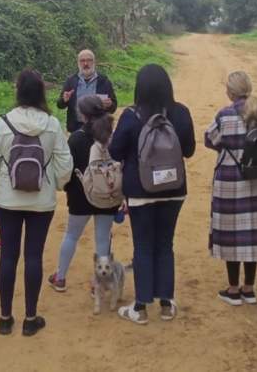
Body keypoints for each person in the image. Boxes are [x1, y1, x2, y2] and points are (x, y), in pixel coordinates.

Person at [0, 69, 73, 337]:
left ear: (18, 91)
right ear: (42, 92)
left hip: (7, 201)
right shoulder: (52, 124)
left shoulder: (1, 123)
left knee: (8, 256)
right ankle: (30, 319)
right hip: (41, 202)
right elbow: (65, 165)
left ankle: (5, 318)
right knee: (34, 256)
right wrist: (54, 185)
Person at [109, 64, 195, 324]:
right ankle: (167, 305)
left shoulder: (131, 115)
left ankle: (140, 308)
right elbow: (189, 150)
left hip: (140, 191)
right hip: (174, 190)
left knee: (143, 247)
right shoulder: (180, 113)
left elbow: (114, 151)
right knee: (165, 245)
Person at [205, 71, 257, 306]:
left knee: (231, 233)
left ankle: (233, 289)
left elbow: (209, 138)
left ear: (231, 92)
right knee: (252, 232)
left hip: (229, 180)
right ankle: (249, 289)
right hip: (256, 180)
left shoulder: (224, 114)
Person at [48, 95, 119, 293]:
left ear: (83, 114)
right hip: (107, 194)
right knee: (103, 238)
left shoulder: (77, 138)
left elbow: (67, 168)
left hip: (81, 195)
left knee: (71, 235)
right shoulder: (110, 136)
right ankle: (100, 283)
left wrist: (67, 189)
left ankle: (60, 277)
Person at [56, 49, 118, 133]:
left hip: (98, 129)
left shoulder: (104, 81)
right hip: (76, 128)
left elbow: (113, 108)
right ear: (78, 63)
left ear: (94, 62)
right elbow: (60, 105)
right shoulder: (71, 81)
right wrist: (64, 100)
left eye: (89, 60)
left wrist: (110, 104)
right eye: (82, 61)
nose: (85, 64)